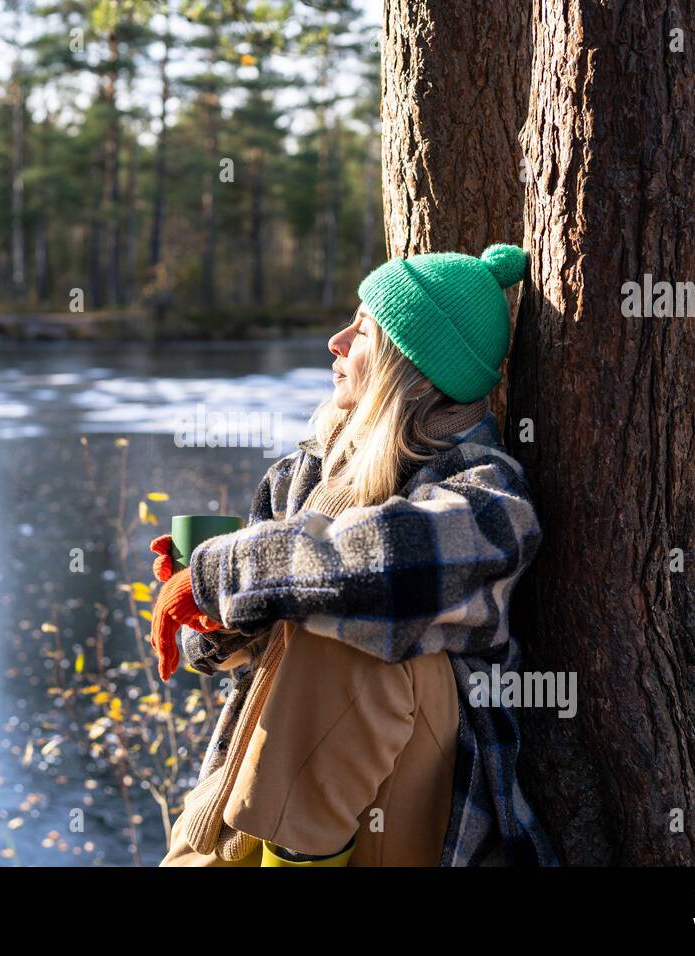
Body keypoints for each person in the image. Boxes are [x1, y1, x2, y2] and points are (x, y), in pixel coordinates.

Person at [149, 244, 560, 867]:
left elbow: (386, 566)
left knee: (349, 629)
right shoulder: (304, 472)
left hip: (419, 803)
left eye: (362, 329)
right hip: (285, 787)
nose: (334, 343)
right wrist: (215, 618)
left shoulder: (488, 488)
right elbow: (253, 667)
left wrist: (228, 570)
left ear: (409, 366)